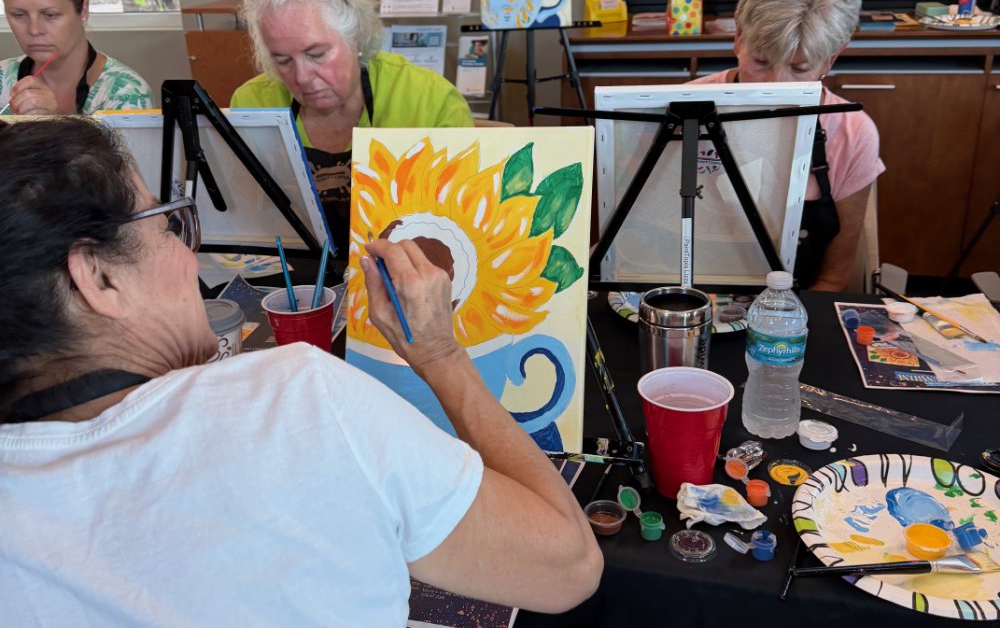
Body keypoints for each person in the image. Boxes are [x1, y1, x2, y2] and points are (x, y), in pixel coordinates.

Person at [0, 117, 602, 625]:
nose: (189, 257)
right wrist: (442, 356)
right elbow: (569, 565)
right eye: (167, 227)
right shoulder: (298, 403)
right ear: (97, 278)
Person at [231, 0, 474, 255]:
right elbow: (246, 219)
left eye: (317, 54)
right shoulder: (252, 105)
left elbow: (462, 227)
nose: (303, 77)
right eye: (283, 61)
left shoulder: (430, 100)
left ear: (355, 36)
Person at [689, 0, 885, 291]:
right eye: (761, 61)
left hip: (791, 322)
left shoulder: (852, 134)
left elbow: (832, 277)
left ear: (831, 60)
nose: (775, 85)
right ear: (738, 36)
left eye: (800, 68)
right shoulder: (684, 108)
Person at [0, 0, 154, 114]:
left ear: (83, 10)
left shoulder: (126, 93)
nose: (34, 30)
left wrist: (53, 125)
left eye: (50, 15)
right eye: (19, 15)